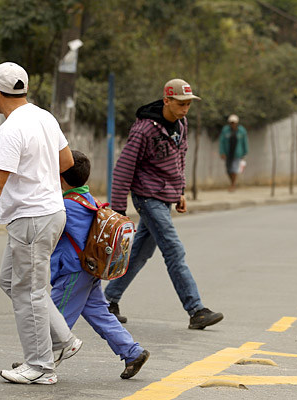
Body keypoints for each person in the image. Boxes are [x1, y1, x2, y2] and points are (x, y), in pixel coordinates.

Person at [0, 62, 81, 385]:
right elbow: (67, 162)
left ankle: (40, 365)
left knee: (29, 290)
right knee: (11, 281)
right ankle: (63, 340)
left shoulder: (10, 129)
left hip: (32, 218)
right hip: (50, 213)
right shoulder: (44, 117)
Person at [104, 78, 224, 330]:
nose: (184, 108)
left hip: (166, 195)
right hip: (147, 196)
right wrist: (118, 209)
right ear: (166, 100)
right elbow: (124, 168)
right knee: (173, 249)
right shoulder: (144, 129)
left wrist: (180, 191)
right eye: (180, 103)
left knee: (139, 253)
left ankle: (107, 301)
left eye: (188, 104)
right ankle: (196, 310)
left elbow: (180, 159)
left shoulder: (181, 124)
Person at [50, 150, 150, 379]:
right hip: (90, 269)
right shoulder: (89, 200)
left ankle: (39, 363)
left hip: (73, 272)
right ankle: (132, 352)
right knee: (99, 314)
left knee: (54, 318)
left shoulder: (64, 206)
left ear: (60, 177)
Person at [219, 114, 248, 192]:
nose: (233, 124)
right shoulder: (225, 130)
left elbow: (244, 142)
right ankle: (232, 182)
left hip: (237, 153)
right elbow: (221, 142)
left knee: (234, 169)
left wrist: (245, 152)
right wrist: (222, 152)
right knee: (228, 170)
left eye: (234, 122)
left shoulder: (242, 131)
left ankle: (233, 185)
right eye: (231, 122)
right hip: (228, 153)